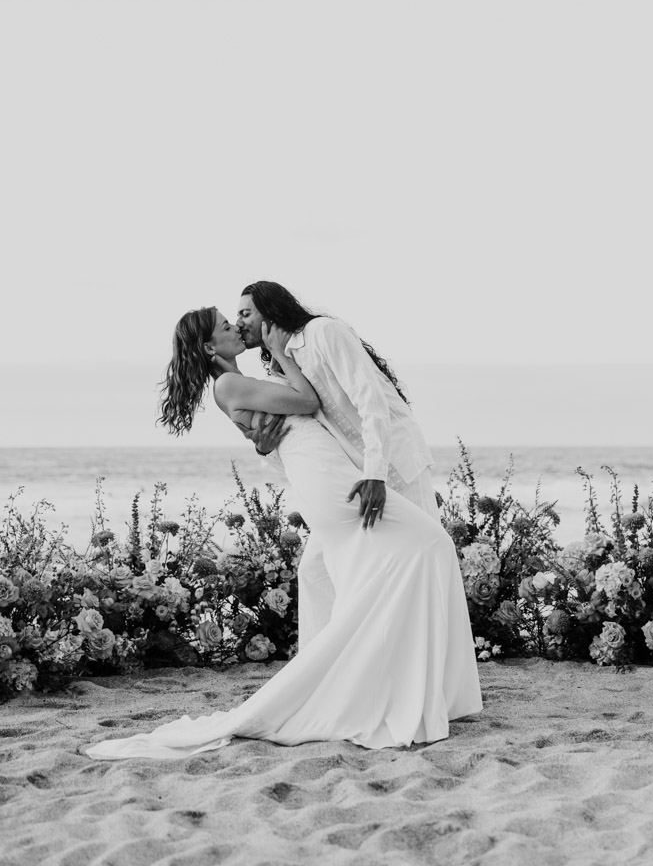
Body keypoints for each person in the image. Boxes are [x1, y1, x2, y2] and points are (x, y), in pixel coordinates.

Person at [85, 306, 481, 760]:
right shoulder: (229, 383)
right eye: (225, 325)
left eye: (237, 319)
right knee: (430, 542)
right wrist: (279, 353)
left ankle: (376, 682)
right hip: (324, 477)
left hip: (322, 468)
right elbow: (308, 403)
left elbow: (282, 432)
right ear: (211, 347)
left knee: (377, 568)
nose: (236, 327)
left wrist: (265, 430)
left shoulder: (236, 383)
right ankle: (374, 683)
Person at [236, 281, 441, 647]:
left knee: (424, 565)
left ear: (270, 311)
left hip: (395, 463)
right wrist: (267, 450)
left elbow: (371, 397)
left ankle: (432, 675)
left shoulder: (323, 333)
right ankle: (323, 672)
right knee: (315, 571)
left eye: (245, 312)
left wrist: (376, 473)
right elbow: (305, 449)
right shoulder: (281, 373)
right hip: (355, 477)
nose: (239, 322)